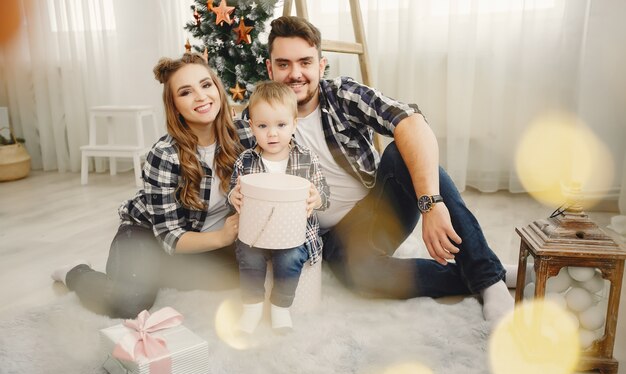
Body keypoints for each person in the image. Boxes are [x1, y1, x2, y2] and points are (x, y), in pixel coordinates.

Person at [234, 16, 514, 323]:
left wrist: (431, 204)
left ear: (321, 65)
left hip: (377, 208)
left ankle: (489, 280)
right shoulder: (254, 120)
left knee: (402, 150)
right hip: (326, 236)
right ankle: (483, 270)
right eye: (284, 64)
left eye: (305, 62)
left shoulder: (342, 95)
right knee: (365, 278)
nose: (295, 74)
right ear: (270, 68)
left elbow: (411, 122)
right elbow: (226, 164)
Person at [51, 53, 253, 318]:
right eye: (186, 92)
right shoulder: (165, 154)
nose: (201, 97)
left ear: (217, 87)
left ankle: (156, 272)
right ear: (175, 106)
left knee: (243, 277)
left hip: (196, 239)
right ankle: (75, 272)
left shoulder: (245, 133)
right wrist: (222, 237)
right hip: (146, 233)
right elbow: (169, 237)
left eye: (206, 85)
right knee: (128, 303)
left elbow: (286, 157)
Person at [228, 81, 330, 333]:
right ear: (251, 127)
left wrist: (316, 199)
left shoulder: (306, 158)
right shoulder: (246, 160)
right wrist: (234, 196)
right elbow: (235, 189)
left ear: (294, 124)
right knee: (248, 255)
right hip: (257, 232)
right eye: (263, 126)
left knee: (292, 257)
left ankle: (280, 307)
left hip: (295, 234)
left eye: (281, 125)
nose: (272, 134)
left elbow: (324, 195)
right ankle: (252, 307)